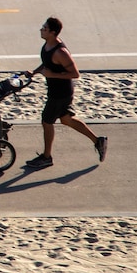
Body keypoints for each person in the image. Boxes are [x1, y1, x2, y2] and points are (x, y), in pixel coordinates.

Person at [25, 17, 107, 169]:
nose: (41, 29)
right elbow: (47, 63)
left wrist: (52, 75)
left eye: (44, 28)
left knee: (47, 122)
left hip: (60, 94)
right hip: (56, 91)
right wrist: (35, 72)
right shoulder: (48, 45)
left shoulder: (61, 52)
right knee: (67, 120)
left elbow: (75, 74)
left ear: (53, 32)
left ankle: (46, 157)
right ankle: (98, 141)